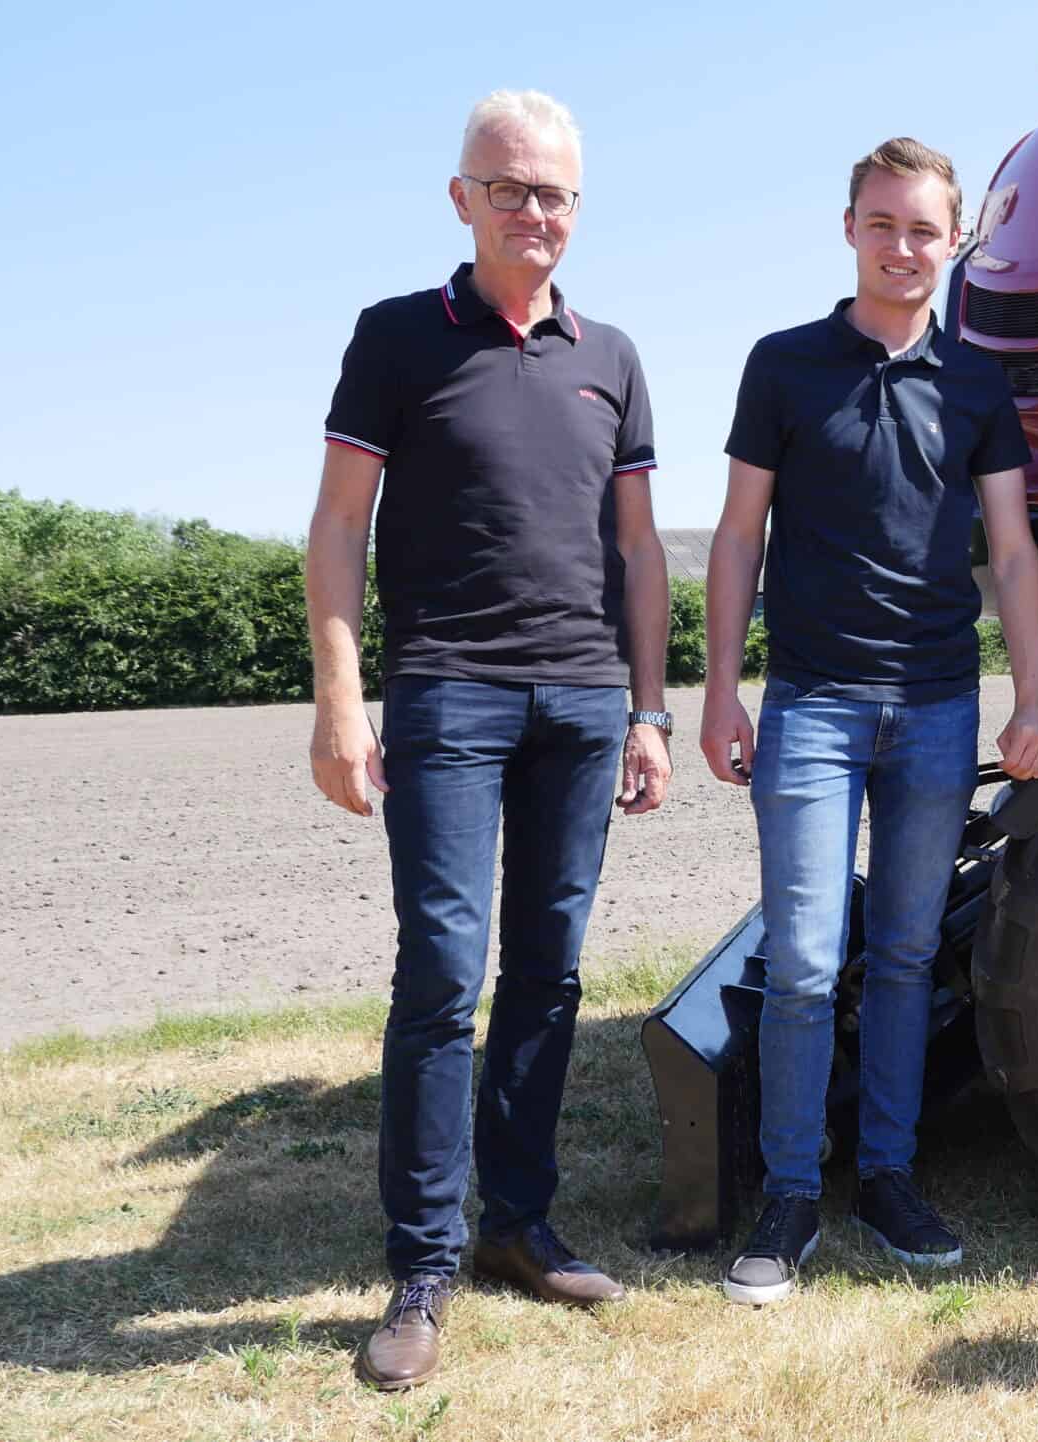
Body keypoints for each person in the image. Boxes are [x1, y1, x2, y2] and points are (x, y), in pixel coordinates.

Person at [306, 89, 671, 1390]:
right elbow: (340, 526)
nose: (535, 212)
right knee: (444, 973)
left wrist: (648, 705)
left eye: (556, 192)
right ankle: (423, 1260)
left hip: (581, 705)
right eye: (510, 188)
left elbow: (637, 550)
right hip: (449, 697)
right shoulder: (399, 339)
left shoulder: (610, 353)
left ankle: (519, 1223)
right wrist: (343, 700)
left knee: (551, 973)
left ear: (579, 209)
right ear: (462, 198)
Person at [700, 137, 1038, 1304]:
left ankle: (891, 1180)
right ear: (847, 227)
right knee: (806, 960)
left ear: (952, 241)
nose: (903, 247)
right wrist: (718, 689)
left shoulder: (973, 383)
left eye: (923, 229)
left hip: (938, 706)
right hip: (810, 704)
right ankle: (790, 1194)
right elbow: (738, 539)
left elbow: (1011, 551)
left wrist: (1033, 698)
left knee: (905, 957)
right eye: (882, 223)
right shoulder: (784, 366)